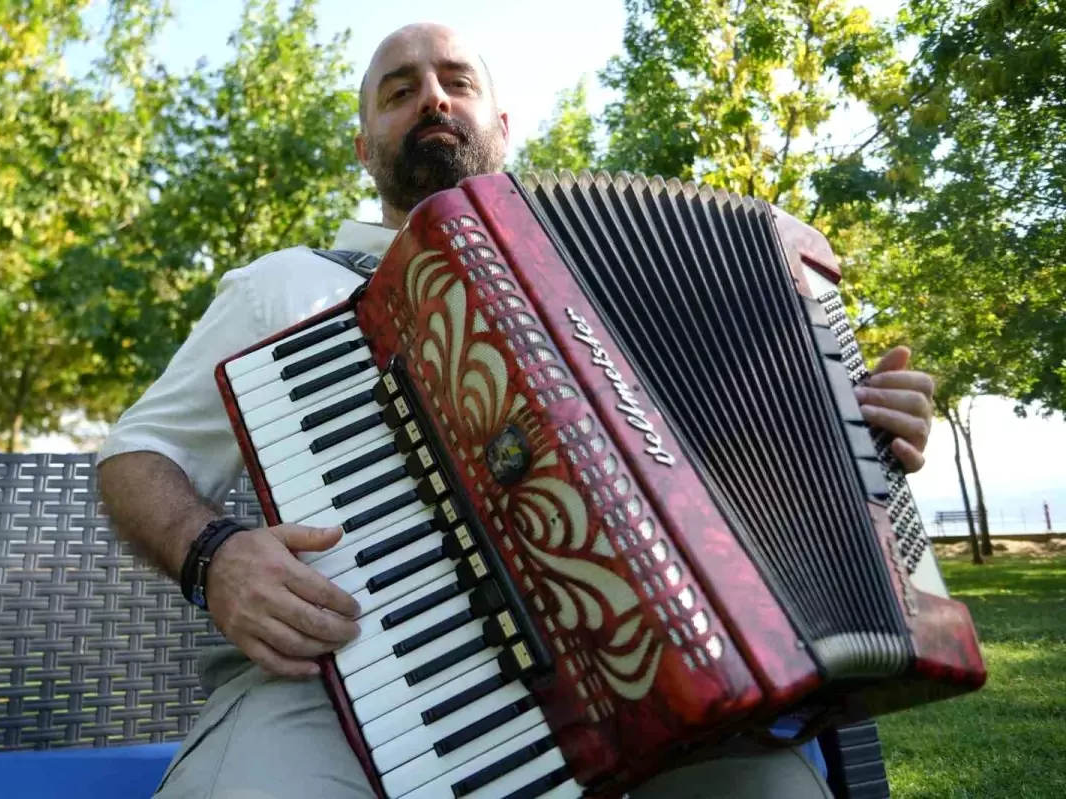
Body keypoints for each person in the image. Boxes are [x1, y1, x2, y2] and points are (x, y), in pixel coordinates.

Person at [97, 21, 936, 799]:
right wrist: (215, 554)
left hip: (660, 688)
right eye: (398, 91)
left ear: (502, 124)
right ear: (364, 148)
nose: (431, 96)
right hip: (339, 682)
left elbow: (761, 471)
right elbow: (135, 457)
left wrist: (857, 432)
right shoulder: (285, 285)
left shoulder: (621, 279)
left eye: (455, 81)